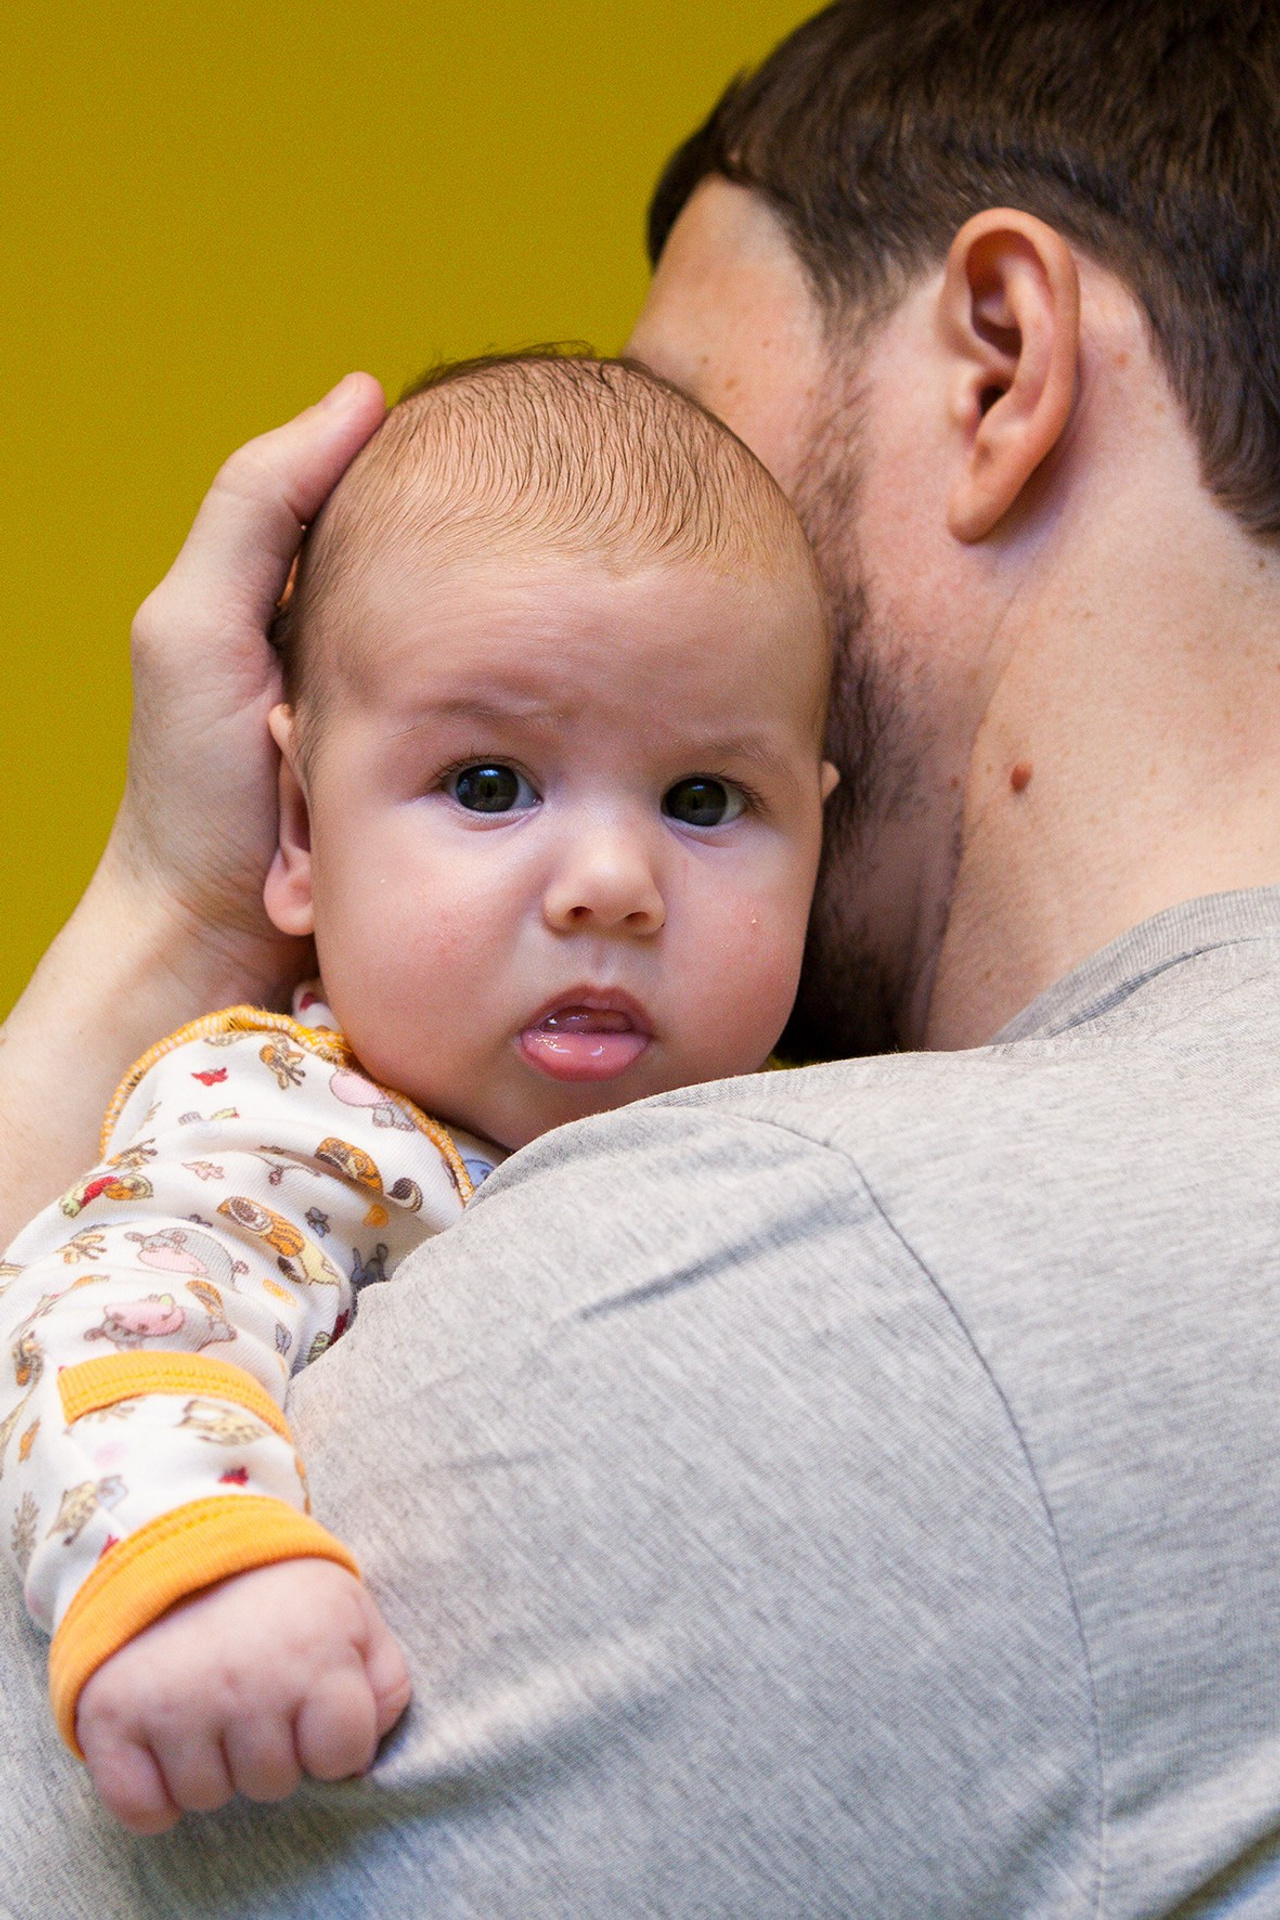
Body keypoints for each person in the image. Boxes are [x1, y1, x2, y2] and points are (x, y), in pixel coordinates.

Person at [5, 0, 1280, 1910]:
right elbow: (133, 1284)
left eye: (685, 397)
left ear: (1003, 363)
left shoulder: (796, 1270)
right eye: (496, 775)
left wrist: (155, 915)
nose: (604, 882)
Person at [0, 352, 834, 1834]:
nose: (610, 887)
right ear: (302, 824)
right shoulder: (284, 1119)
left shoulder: (825, 1126)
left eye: (706, 800)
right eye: (492, 783)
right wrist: (199, 1559)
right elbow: (105, 1301)